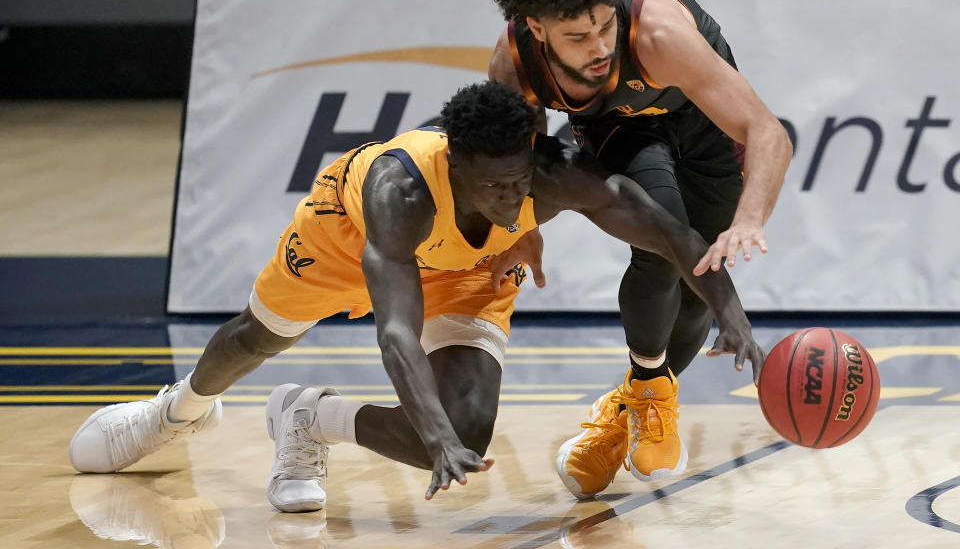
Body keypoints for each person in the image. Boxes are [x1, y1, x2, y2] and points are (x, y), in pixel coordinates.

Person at [69, 81, 762, 511]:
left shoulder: (550, 177)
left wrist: (732, 313)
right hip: (348, 239)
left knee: (465, 431)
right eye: (493, 186)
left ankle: (307, 418)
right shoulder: (398, 193)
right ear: (452, 162)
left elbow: (671, 234)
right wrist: (426, 433)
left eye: (519, 181)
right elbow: (396, 332)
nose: (510, 197)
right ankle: (179, 410)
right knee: (258, 335)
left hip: (470, 271)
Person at [486, 0, 792, 498]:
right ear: (536, 29)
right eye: (578, 36)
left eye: (605, 24)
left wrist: (749, 221)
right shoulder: (515, 63)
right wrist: (521, 230)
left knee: (701, 265)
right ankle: (650, 386)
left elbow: (767, 132)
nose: (600, 46)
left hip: (702, 126)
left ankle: (624, 410)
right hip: (617, 129)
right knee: (661, 240)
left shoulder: (656, 32)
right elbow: (514, 168)